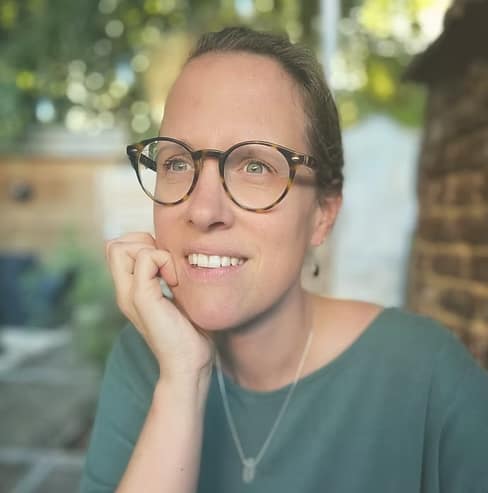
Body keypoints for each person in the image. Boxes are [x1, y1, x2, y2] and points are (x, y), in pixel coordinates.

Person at [80, 27, 488, 493]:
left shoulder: (426, 374)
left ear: (322, 215)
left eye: (255, 166)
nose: (204, 211)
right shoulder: (144, 359)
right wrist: (181, 381)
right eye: (177, 162)